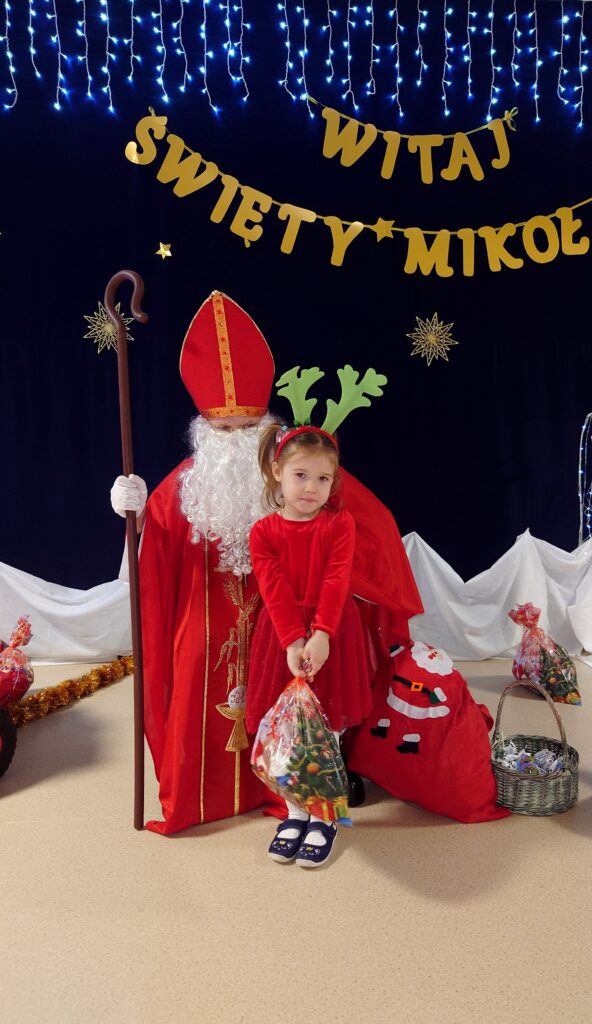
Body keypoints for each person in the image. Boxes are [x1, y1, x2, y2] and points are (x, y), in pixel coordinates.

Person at [111, 291, 423, 836]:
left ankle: (297, 794)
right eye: (224, 431)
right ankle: (203, 795)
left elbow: (360, 526)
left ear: (265, 426)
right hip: (206, 615)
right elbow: (157, 542)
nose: (235, 440)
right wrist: (130, 509)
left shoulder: (301, 474)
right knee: (194, 658)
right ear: (204, 430)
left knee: (306, 691)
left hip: (290, 622)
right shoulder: (186, 487)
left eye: (246, 427)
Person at [247, 422, 372, 867]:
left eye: (323, 478)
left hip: (331, 632)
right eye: (301, 475)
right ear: (277, 471)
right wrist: (293, 642)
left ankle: (324, 817)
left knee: (325, 729)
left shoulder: (339, 524)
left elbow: (336, 580)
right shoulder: (263, 532)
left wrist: (321, 635)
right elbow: (273, 589)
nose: (312, 488)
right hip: (283, 635)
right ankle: (295, 812)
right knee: (288, 732)